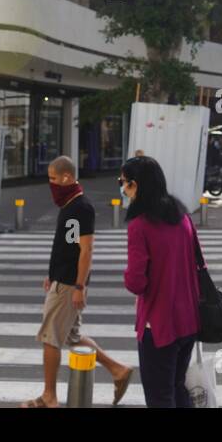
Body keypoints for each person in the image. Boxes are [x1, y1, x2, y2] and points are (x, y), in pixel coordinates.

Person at [22, 155, 134, 407]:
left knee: (50, 338)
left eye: (52, 178)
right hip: (62, 280)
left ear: (67, 177)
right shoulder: (70, 205)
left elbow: (86, 250)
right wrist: (52, 272)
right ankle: (118, 370)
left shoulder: (80, 208)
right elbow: (67, 246)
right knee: (72, 337)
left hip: (69, 285)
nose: (50, 184)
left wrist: (78, 287)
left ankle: (49, 397)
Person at [121, 155, 202, 408]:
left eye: (124, 183)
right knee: (178, 387)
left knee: (159, 397)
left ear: (137, 185)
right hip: (189, 319)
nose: (123, 189)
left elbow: (136, 282)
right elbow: (198, 262)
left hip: (158, 325)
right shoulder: (182, 217)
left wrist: (126, 275)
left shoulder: (140, 226)